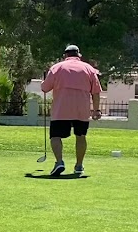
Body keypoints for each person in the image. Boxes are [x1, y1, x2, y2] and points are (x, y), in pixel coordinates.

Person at [40, 44, 103, 176]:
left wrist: (44, 80)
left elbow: (45, 88)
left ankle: (59, 162)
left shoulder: (56, 68)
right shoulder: (89, 69)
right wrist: (96, 110)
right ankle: (79, 166)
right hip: (82, 109)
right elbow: (96, 93)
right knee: (81, 136)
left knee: (55, 136)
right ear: (79, 55)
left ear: (65, 55)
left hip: (61, 109)